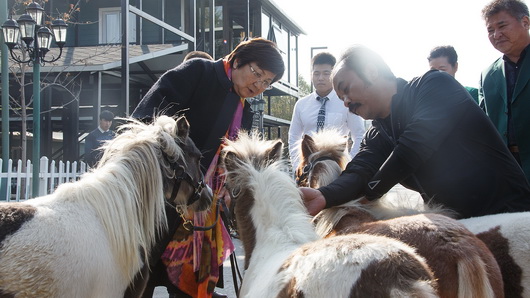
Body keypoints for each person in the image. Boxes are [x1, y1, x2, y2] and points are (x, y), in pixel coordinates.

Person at [299, 45, 530, 220]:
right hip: (462, 226)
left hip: (510, 215)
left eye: (346, 91)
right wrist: (324, 196)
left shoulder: (434, 86)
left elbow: (413, 147)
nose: (347, 103)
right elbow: (359, 172)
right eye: (341, 99)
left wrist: (369, 193)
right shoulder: (378, 134)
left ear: (371, 71)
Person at [132, 37, 285, 298]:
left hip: (202, 206)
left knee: (189, 286)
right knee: (139, 277)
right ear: (237, 61)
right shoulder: (198, 72)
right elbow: (147, 118)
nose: (258, 86)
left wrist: (228, 185)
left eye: (266, 83)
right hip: (160, 196)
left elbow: (231, 158)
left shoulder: (243, 110)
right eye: (256, 74)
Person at [479, 0, 530, 183]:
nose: (496, 35)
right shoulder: (487, 75)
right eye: (490, 30)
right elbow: (484, 124)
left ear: (525, 22)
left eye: (502, 26)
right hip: (506, 173)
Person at [288, 52, 365, 171]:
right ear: (311, 75)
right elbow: (294, 136)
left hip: (337, 168)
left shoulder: (347, 102)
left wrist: (349, 165)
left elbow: (359, 135)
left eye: (326, 73)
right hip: (307, 168)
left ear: (334, 75)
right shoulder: (301, 105)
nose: (320, 78)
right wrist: (298, 165)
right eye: (316, 73)